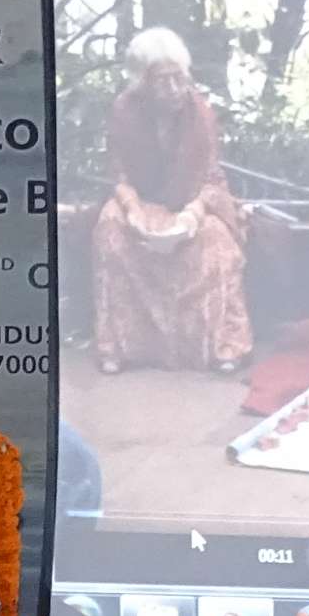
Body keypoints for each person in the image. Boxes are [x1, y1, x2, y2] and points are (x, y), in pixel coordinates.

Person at [91, 28, 252, 374]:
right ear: (142, 82)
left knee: (215, 241)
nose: (175, 89)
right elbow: (118, 175)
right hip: (141, 200)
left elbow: (211, 177)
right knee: (110, 228)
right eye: (163, 81)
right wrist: (133, 211)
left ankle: (225, 348)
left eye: (179, 78)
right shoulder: (124, 110)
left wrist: (192, 215)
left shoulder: (201, 112)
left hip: (196, 200)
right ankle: (117, 349)